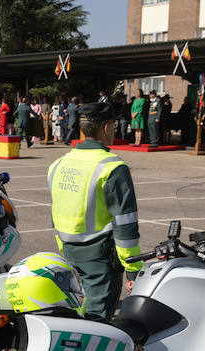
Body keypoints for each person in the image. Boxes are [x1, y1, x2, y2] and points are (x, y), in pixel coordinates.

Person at [47, 102, 142, 320]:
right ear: (107, 128)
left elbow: (56, 212)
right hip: (100, 259)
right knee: (96, 322)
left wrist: (64, 246)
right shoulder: (112, 167)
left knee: (75, 312)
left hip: (69, 252)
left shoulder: (59, 164)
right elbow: (125, 223)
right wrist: (133, 269)